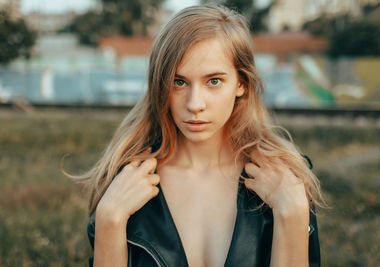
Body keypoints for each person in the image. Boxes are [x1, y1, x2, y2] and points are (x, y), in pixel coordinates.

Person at [72, 5, 324, 267]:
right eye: (178, 82)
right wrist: (109, 220)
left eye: (213, 81)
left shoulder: (284, 182)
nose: (195, 104)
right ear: (160, 85)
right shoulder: (125, 185)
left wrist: (292, 215)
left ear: (241, 83)